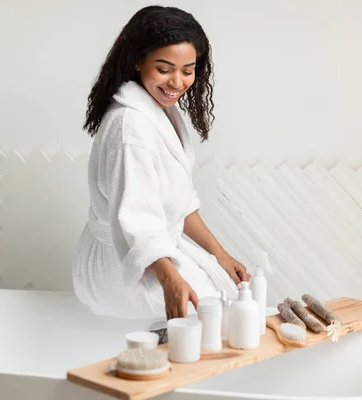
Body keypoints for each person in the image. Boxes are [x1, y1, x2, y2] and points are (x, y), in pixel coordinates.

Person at [72, 6, 249, 321]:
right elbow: (137, 222)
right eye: (165, 68)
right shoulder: (130, 126)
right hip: (122, 264)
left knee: (233, 299)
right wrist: (170, 279)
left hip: (154, 250)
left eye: (187, 70)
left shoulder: (161, 112)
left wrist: (219, 254)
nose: (177, 82)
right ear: (138, 60)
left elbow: (179, 204)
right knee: (217, 317)